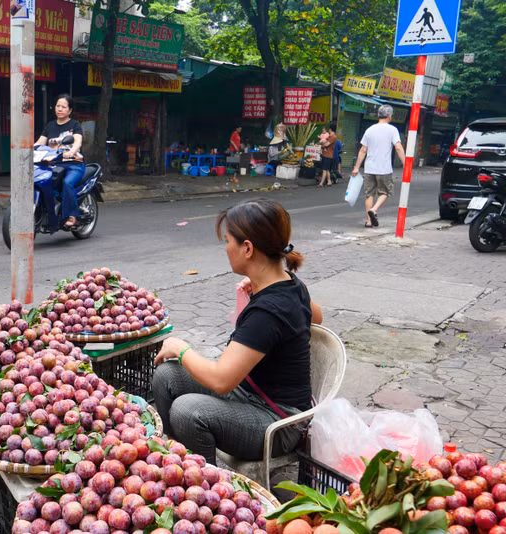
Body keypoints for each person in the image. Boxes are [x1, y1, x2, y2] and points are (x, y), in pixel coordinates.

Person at [151, 199, 323, 465]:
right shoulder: (289, 283)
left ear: (248, 248)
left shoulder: (269, 311)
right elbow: (317, 318)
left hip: (279, 420)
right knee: (167, 376)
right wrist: (258, 287)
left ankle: (204, 484)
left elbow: (222, 380)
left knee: (188, 411)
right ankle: (179, 458)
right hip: (251, 392)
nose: (226, 248)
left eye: (228, 241)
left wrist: (181, 348)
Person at [351, 105, 406, 228]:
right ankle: (374, 210)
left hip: (369, 168)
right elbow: (398, 147)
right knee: (385, 192)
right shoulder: (392, 130)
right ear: (390, 116)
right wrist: (405, 163)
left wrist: (356, 167)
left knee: (369, 194)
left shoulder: (369, 130)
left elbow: (363, 150)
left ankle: (368, 221)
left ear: (378, 115)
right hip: (384, 169)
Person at [36, 95, 85, 228]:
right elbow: (40, 142)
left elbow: (77, 141)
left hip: (73, 164)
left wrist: (72, 151)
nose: (60, 109)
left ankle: (72, 215)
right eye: (58, 106)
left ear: (69, 111)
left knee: (67, 183)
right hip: (54, 164)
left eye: (64, 107)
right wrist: (26, 150)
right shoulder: (50, 126)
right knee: (42, 182)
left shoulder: (75, 125)